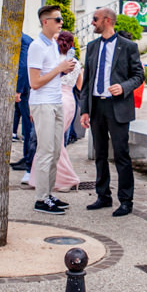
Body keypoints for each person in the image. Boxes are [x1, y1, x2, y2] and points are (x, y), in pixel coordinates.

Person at [80, 8, 144, 216]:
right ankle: (103, 196)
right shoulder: (91, 47)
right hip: (97, 106)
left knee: (121, 154)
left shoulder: (128, 46)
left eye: (95, 19)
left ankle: (126, 201)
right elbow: (87, 81)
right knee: (99, 154)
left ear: (107, 21)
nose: (92, 23)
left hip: (117, 106)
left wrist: (124, 87)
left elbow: (138, 75)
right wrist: (84, 110)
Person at [26, 5, 77, 215]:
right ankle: (41, 198)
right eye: (57, 19)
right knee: (46, 152)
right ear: (45, 22)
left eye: (61, 19)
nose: (61, 22)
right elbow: (35, 82)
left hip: (56, 102)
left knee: (56, 151)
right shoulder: (37, 46)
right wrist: (59, 69)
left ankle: (48, 194)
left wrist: (64, 70)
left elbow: (53, 75)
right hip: (43, 103)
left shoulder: (53, 45)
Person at [31, 30, 84, 193]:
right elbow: (80, 86)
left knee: (51, 142)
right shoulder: (75, 63)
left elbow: (39, 81)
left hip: (53, 99)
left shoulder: (54, 61)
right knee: (57, 141)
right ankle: (51, 179)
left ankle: (64, 179)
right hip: (69, 100)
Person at [11, 32, 36, 171]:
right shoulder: (26, 38)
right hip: (26, 87)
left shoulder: (21, 40)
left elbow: (22, 65)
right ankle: (27, 156)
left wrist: (18, 89)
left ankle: (28, 159)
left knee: (27, 124)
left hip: (25, 88)